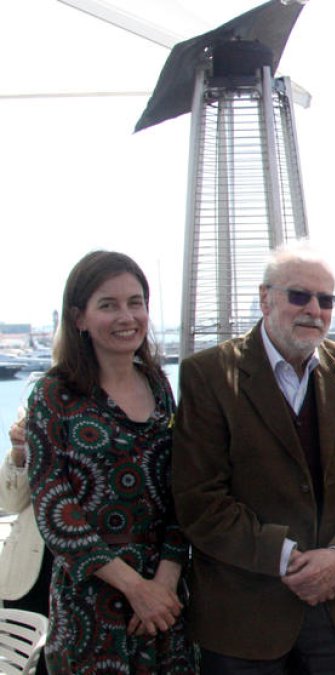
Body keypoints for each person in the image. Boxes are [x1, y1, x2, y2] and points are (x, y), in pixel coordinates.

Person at [172, 244, 335, 674]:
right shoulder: (209, 375)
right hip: (244, 621)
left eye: (326, 300)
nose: (314, 309)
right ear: (265, 298)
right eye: (299, 296)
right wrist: (287, 557)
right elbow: (199, 499)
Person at [23, 250, 195, 673]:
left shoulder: (159, 385)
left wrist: (164, 585)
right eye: (109, 304)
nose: (127, 316)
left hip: (165, 605)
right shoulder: (53, 395)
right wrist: (135, 588)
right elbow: (55, 510)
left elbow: (180, 490)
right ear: (79, 318)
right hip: (91, 608)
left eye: (135, 302)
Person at [2, 417, 52, 675]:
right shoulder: (36, 409)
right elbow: (10, 502)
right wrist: (19, 453)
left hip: (93, 566)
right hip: (32, 568)